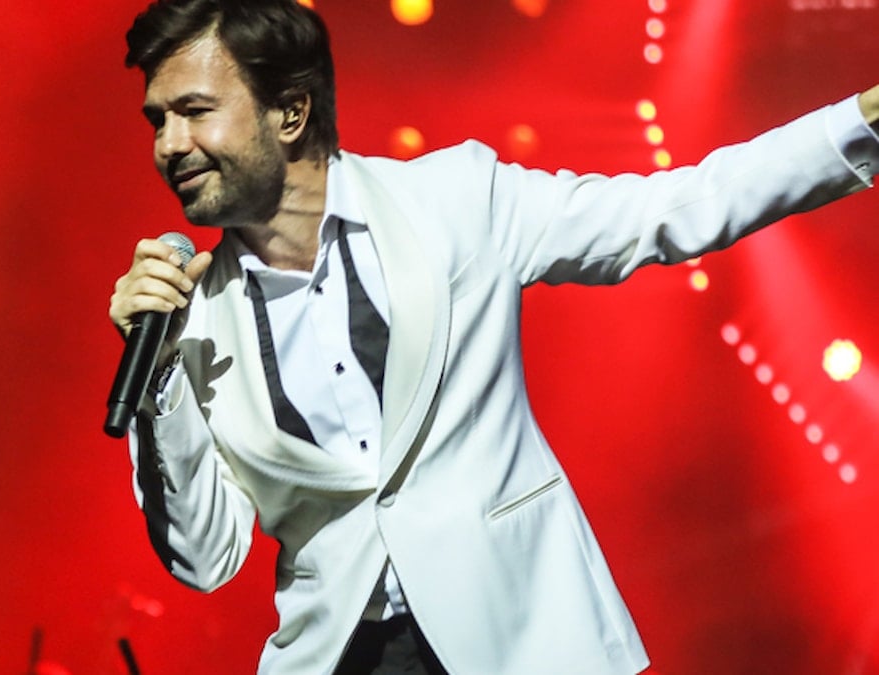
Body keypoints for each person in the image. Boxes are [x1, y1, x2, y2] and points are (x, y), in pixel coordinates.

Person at [106, 0, 879, 672]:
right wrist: (159, 380)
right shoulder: (192, 319)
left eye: (194, 110)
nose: (168, 144)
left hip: (522, 633)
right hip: (342, 656)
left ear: (290, 113)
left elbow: (668, 211)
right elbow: (205, 557)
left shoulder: (455, 200)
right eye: (157, 121)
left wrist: (862, 122)